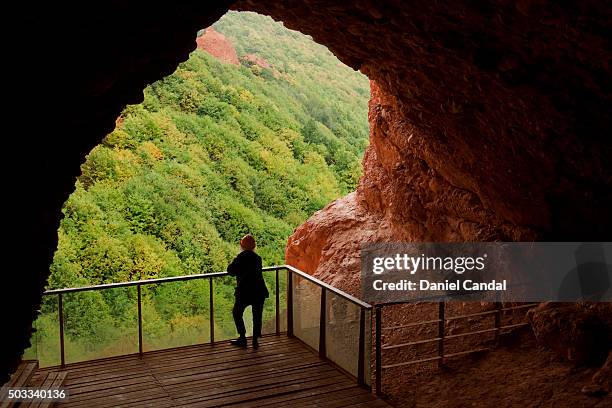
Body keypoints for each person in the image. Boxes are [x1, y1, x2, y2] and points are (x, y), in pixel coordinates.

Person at [227, 234, 269, 349]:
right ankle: (255, 340)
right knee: (257, 315)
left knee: (237, 313)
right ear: (254, 245)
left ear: (242, 245)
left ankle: (242, 337)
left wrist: (235, 260)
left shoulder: (240, 257)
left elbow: (230, 271)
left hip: (244, 292)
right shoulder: (257, 258)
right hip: (259, 291)